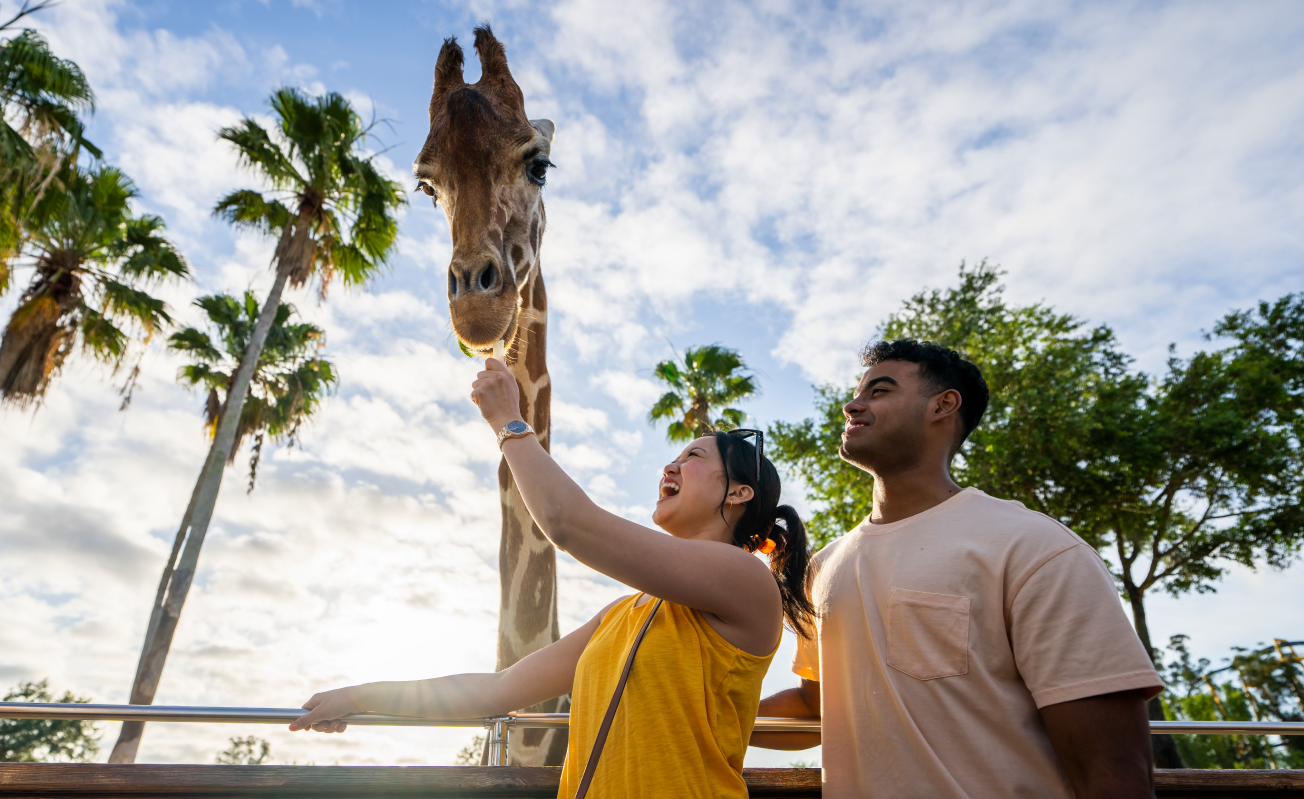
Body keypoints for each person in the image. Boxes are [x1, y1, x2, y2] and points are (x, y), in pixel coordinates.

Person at [291, 357, 815, 799]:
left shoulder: (746, 579)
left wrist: (508, 422)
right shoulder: (621, 616)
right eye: (674, 456)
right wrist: (363, 695)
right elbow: (497, 691)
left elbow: (568, 524)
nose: (670, 467)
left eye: (694, 457)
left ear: (739, 493)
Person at [752, 339, 1165, 799]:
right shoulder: (822, 568)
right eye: (858, 391)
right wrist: (684, 713)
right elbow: (816, 708)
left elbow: (1115, 773)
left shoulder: (1033, 547)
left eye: (879, 391)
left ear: (943, 406)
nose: (853, 405)